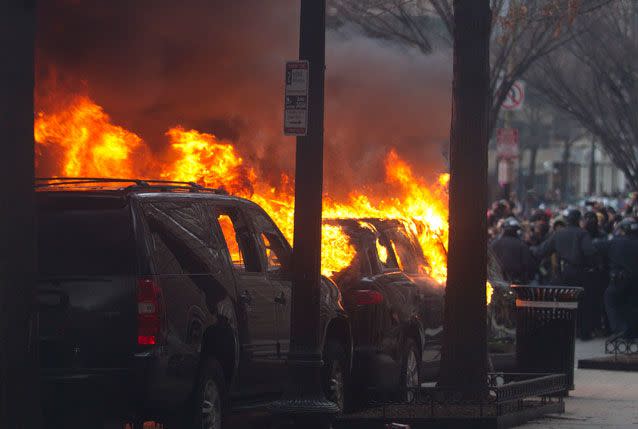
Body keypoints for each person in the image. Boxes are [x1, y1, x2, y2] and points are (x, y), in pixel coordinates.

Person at [533, 209, 596, 339]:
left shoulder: (558, 234)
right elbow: (590, 252)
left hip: (564, 272)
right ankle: (583, 332)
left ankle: (564, 331)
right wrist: (592, 265)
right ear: (579, 220)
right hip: (580, 272)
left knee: (564, 302)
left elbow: (541, 251)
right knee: (583, 302)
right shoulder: (582, 234)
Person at [599, 217, 638, 338]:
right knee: (632, 305)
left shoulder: (615, 242)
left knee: (610, 299)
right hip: (635, 281)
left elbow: (594, 248)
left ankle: (620, 329)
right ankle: (632, 332)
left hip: (619, 280)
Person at [490, 217, 537, 284]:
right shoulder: (522, 245)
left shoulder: (494, 244)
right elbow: (529, 265)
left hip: (497, 284)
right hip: (517, 285)